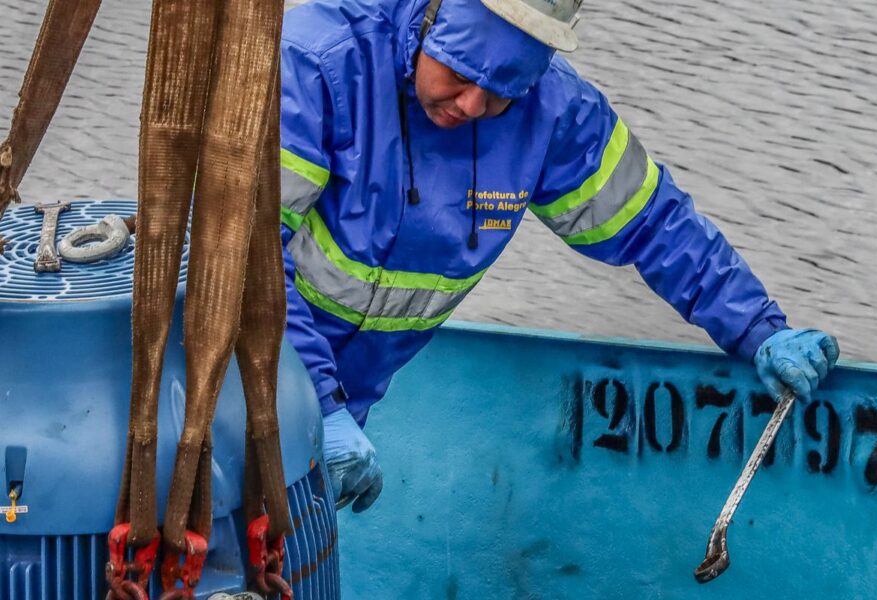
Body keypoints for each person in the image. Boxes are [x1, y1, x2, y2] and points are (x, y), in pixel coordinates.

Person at [279, 0, 840, 513]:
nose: (471, 105)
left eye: (500, 90)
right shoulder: (316, 63)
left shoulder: (551, 112)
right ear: (431, 17)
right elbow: (245, 262)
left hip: (338, 414)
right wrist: (316, 405)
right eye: (460, 72)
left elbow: (654, 223)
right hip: (245, 377)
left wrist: (759, 329)